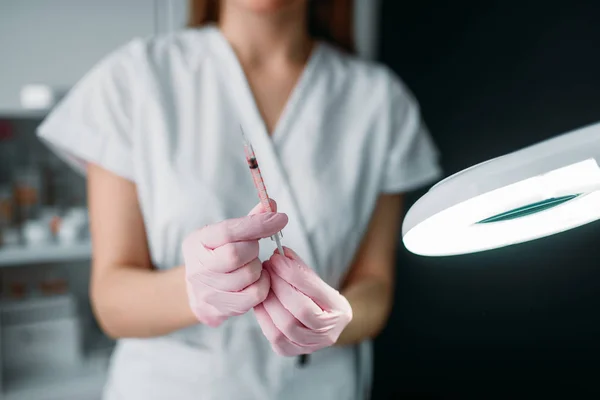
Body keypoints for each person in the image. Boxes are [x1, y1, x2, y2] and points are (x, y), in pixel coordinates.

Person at [37, 0, 442, 398]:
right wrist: (194, 288)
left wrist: (339, 319)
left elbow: (374, 286)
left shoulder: (380, 102)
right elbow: (111, 302)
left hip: (317, 386)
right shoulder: (133, 80)